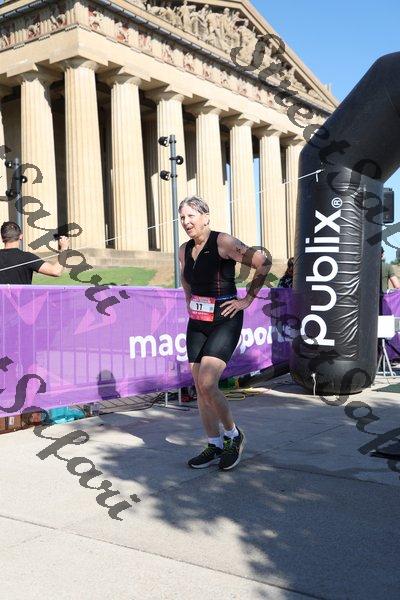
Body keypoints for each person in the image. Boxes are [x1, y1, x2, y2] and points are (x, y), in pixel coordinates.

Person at [178, 196, 270, 471]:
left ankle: (233, 434)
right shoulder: (184, 249)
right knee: (199, 388)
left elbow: (263, 262)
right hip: (197, 321)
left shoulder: (223, 242)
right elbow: (185, 278)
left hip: (225, 318)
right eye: (182, 217)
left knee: (208, 383)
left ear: (206, 216)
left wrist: (247, 300)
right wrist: (188, 301)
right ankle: (214, 444)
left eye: (191, 216)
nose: (186, 222)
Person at [0, 221, 70, 284]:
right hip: (22, 295)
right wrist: (64, 248)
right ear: (21, 236)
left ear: (2, 238)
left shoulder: (27, 257)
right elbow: (56, 271)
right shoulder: (27, 257)